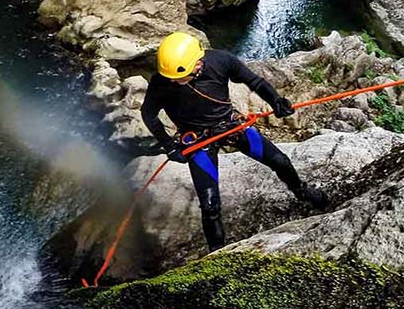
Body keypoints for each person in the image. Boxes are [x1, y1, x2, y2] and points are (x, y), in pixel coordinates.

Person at [121, 32, 327, 252]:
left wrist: (275, 100)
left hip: (230, 125)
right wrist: (170, 146)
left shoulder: (220, 61)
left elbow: (254, 81)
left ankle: (302, 191)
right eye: (172, 78)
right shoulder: (163, 82)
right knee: (210, 206)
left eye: (181, 77)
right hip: (198, 140)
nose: (175, 82)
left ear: (198, 63)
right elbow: (148, 114)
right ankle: (217, 252)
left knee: (280, 161)